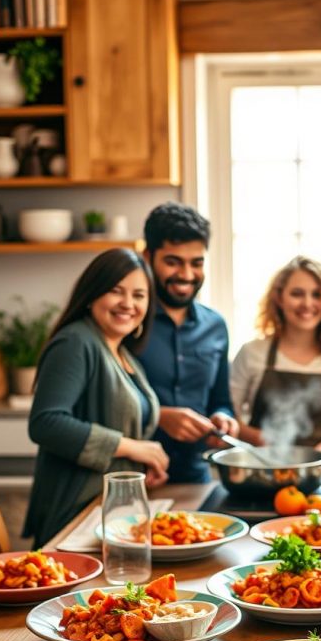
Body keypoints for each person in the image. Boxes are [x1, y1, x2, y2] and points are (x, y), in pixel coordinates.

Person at [25, 249, 169, 547]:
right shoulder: (75, 342)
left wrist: (138, 469)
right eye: (116, 291)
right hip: (74, 518)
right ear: (92, 294)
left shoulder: (120, 351)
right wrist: (131, 448)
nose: (128, 304)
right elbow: (45, 423)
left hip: (109, 513)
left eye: (139, 295)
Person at [230, 256, 321, 458]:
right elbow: (229, 418)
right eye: (297, 294)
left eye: (317, 295)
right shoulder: (252, 353)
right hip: (262, 470)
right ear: (279, 298)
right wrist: (263, 439)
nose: (307, 303)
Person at [139, 202, 239, 483]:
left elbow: (221, 401)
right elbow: (104, 403)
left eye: (197, 263)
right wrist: (158, 416)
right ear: (148, 257)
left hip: (197, 476)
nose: (186, 275)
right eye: (173, 262)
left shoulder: (216, 326)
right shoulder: (129, 321)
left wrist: (223, 418)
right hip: (136, 474)